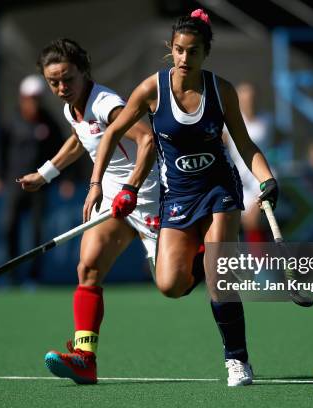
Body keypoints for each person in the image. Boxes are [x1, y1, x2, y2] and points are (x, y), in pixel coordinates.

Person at [85, 9, 279, 386]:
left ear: (206, 52)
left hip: (219, 190)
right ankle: (204, 257)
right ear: (169, 49)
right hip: (177, 196)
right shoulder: (151, 90)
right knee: (170, 285)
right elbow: (110, 134)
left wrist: (268, 179)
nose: (184, 59)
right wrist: (96, 183)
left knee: (219, 276)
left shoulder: (221, 91)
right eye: (178, 50)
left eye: (192, 51)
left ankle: (237, 361)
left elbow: (245, 143)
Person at [15, 38, 163, 384]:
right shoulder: (72, 107)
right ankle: (85, 359)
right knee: (89, 266)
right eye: (54, 82)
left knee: (173, 284)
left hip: (150, 195)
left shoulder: (106, 103)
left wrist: (132, 189)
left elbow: (148, 140)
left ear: (84, 71)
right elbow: (80, 137)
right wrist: (45, 173)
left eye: (68, 78)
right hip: (114, 199)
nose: (62, 88)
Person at [0, 75, 64, 286]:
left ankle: (34, 276)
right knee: (9, 226)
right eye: (30, 98)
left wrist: (66, 178)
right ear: (22, 98)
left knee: (38, 231)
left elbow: (64, 151)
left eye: (37, 98)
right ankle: (10, 276)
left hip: (40, 185)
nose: (34, 102)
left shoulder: (50, 123)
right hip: (15, 184)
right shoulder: (11, 122)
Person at [223, 82, 272, 243]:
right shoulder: (228, 124)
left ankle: (261, 265)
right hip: (238, 180)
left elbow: (281, 137)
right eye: (244, 98)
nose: (248, 101)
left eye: (251, 97)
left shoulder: (267, 121)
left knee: (253, 221)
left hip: (260, 178)